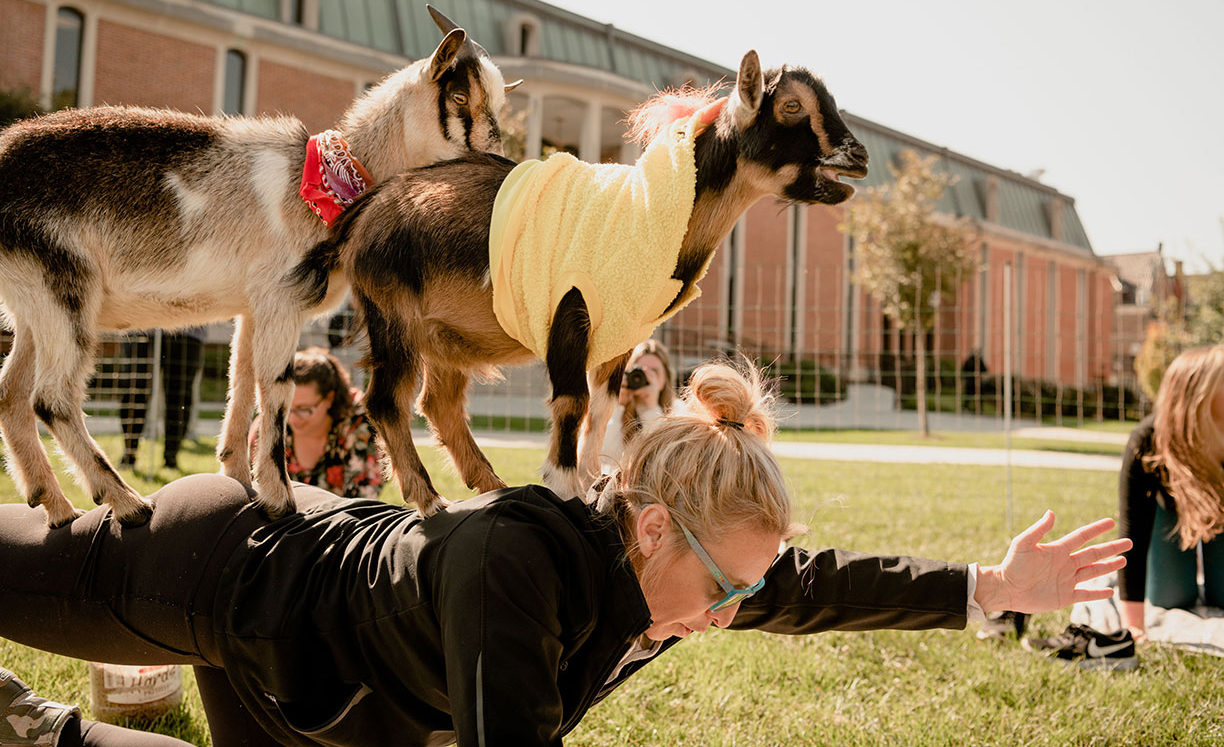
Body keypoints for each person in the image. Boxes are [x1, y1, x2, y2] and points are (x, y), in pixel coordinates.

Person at [0, 360, 1130, 747]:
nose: (734, 613)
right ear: (649, 526)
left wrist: (990, 588)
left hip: (346, 690)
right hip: (225, 563)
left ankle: (36, 729)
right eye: (728, 587)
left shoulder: (686, 571)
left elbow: (821, 587)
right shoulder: (515, 569)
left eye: (746, 591)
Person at [1116, 344, 1224, 641]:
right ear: (1198, 396)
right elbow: (1132, 534)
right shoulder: (1146, 440)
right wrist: (1134, 626)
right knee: (1171, 596)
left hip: (1221, 517)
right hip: (1169, 516)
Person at [250, 347, 384, 500]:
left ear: (329, 399)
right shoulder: (271, 423)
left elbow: (361, 505)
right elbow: (252, 494)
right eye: (287, 408)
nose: (292, 419)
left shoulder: (359, 426)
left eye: (304, 409)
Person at [118, 327, 206, 469]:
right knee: (134, 388)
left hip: (187, 327)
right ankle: (129, 453)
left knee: (179, 395)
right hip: (142, 325)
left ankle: (171, 458)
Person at [600, 339, 675, 468]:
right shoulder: (615, 409)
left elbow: (663, 459)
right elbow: (606, 457)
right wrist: (617, 408)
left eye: (654, 372)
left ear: (664, 379)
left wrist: (651, 410)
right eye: (638, 371)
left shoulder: (678, 412)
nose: (645, 377)